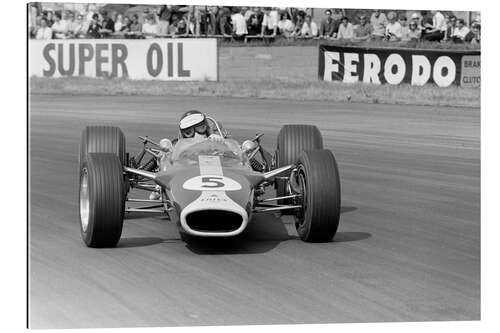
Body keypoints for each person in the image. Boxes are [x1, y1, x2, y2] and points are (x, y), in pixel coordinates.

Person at [148, 110, 225, 200]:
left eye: (200, 128)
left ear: (206, 128)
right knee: (165, 154)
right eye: (189, 132)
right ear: (183, 134)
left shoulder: (217, 139)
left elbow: (234, 158)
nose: (196, 134)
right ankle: (161, 186)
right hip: (186, 174)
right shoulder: (178, 145)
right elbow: (171, 160)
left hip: (216, 174)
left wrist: (221, 144)